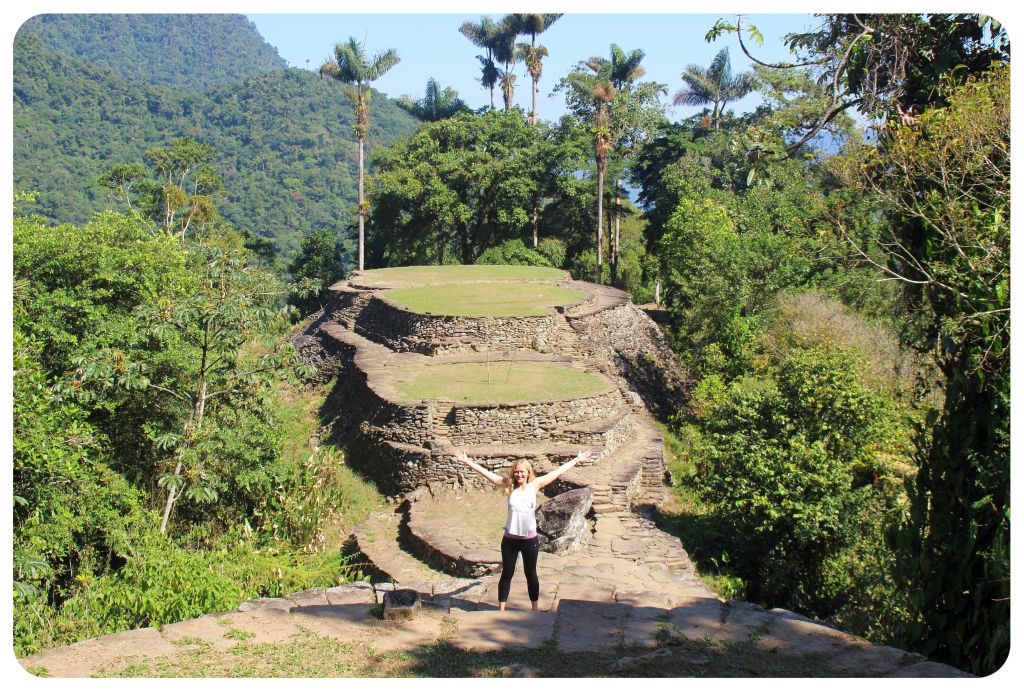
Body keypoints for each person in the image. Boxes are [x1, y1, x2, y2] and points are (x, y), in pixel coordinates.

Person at [453, 449, 594, 612]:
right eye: (517, 472)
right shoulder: (508, 485)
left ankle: (535, 609)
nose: (519, 474)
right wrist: (468, 461)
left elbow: (557, 472)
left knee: (531, 574)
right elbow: (486, 473)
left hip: (529, 540)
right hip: (510, 541)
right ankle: (501, 610)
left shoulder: (535, 485)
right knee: (507, 574)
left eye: (522, 472)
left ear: (528, 473)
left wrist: (576, 460)